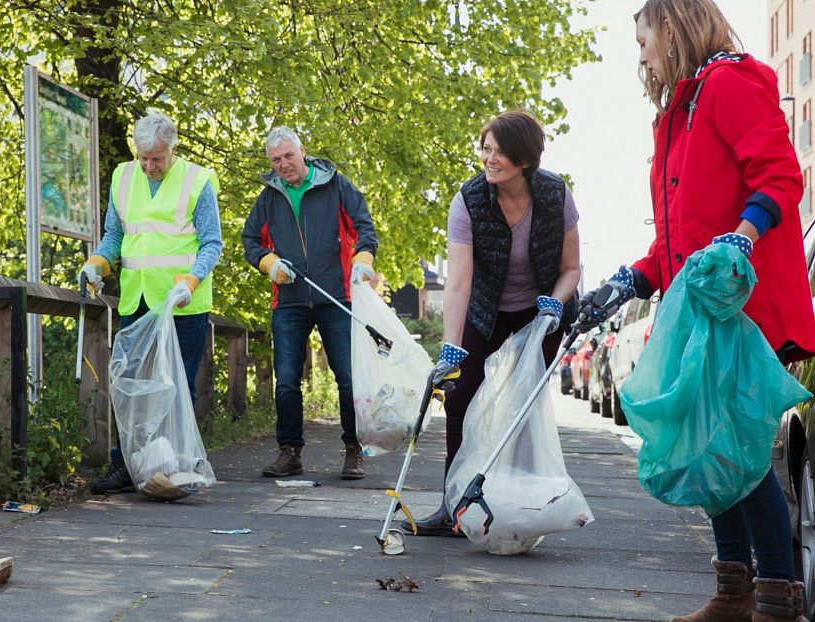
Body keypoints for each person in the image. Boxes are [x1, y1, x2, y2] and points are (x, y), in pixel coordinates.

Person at [576, 2, 815, 620]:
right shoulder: (680, 113)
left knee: (737, 453)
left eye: (645, 39)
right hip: (703, 314)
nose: (642, 55)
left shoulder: (729, 87)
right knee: (710, 451)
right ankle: (734, 591)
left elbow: (781, 177)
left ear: (673, 28)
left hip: (741, 308)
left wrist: (744, 233)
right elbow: (676, 238)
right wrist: (628, 279)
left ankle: (776, 598)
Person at [406, 110, 581, 537]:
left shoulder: (556, 195)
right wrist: (451, 348)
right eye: (486, 149)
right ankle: (453, 507)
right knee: (461, 395)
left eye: (500, 152)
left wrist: (555, 305)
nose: (489, 158)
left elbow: (572, 268)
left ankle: (520, 504)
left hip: (540, 311)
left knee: (523, 408)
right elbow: (459, 282)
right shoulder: (468, 201)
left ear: (523, 159)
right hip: (485, 307)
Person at [83, 110, 223, 495]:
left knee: (179, 387)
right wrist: (98, 263)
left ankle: (177, 469)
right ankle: (125, 465)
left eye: (157, 159)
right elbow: (115, 234)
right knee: (129, 383)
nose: (149, 166)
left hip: (182, 303)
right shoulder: (123, 176)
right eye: (143, 157)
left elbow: (212, 243)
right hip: (137, 299)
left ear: (172, 149)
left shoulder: (197, 180)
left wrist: (191, 282)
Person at [242, 126, 379, 480]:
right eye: (276, 160)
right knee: (286, 379)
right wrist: (269, 264)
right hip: (288, 299)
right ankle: (290, 452)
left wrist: (364, 258)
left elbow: (364, 224)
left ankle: (354, 450)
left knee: (347, 377)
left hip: (336, 295)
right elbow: (249, 241)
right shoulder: (269, 197)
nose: (283, 165)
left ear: (302, 150)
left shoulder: (334, 185)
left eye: (288, 156)